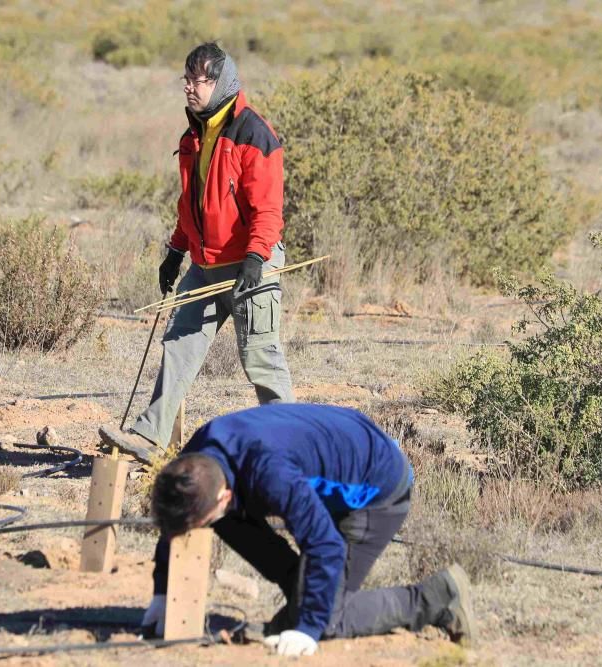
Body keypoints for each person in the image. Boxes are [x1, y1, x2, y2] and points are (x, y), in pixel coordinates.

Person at [139, 403, 475, 657]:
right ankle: (301, 594)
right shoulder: (196, 462)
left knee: (330, 616)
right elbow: (177, 519)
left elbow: (325, 545)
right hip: (323, 460)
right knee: (222, 519)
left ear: (225, 494)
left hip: (376, 488)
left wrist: (309, 626)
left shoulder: (271, 473)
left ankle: (439, 597)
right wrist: (162, 590)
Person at [99, 43, 294, 464]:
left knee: (261, 359)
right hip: (205, 267)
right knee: (178, 346)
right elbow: (192, 204)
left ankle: (290, 450)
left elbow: (268, 210)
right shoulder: (193, 133)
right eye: (186, 80)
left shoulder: (252, 133)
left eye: (199, 81)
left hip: (249, 265)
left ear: (221, 83)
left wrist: (257, 258)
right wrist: (175, 250)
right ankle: (151, 440)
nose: (189, 88)